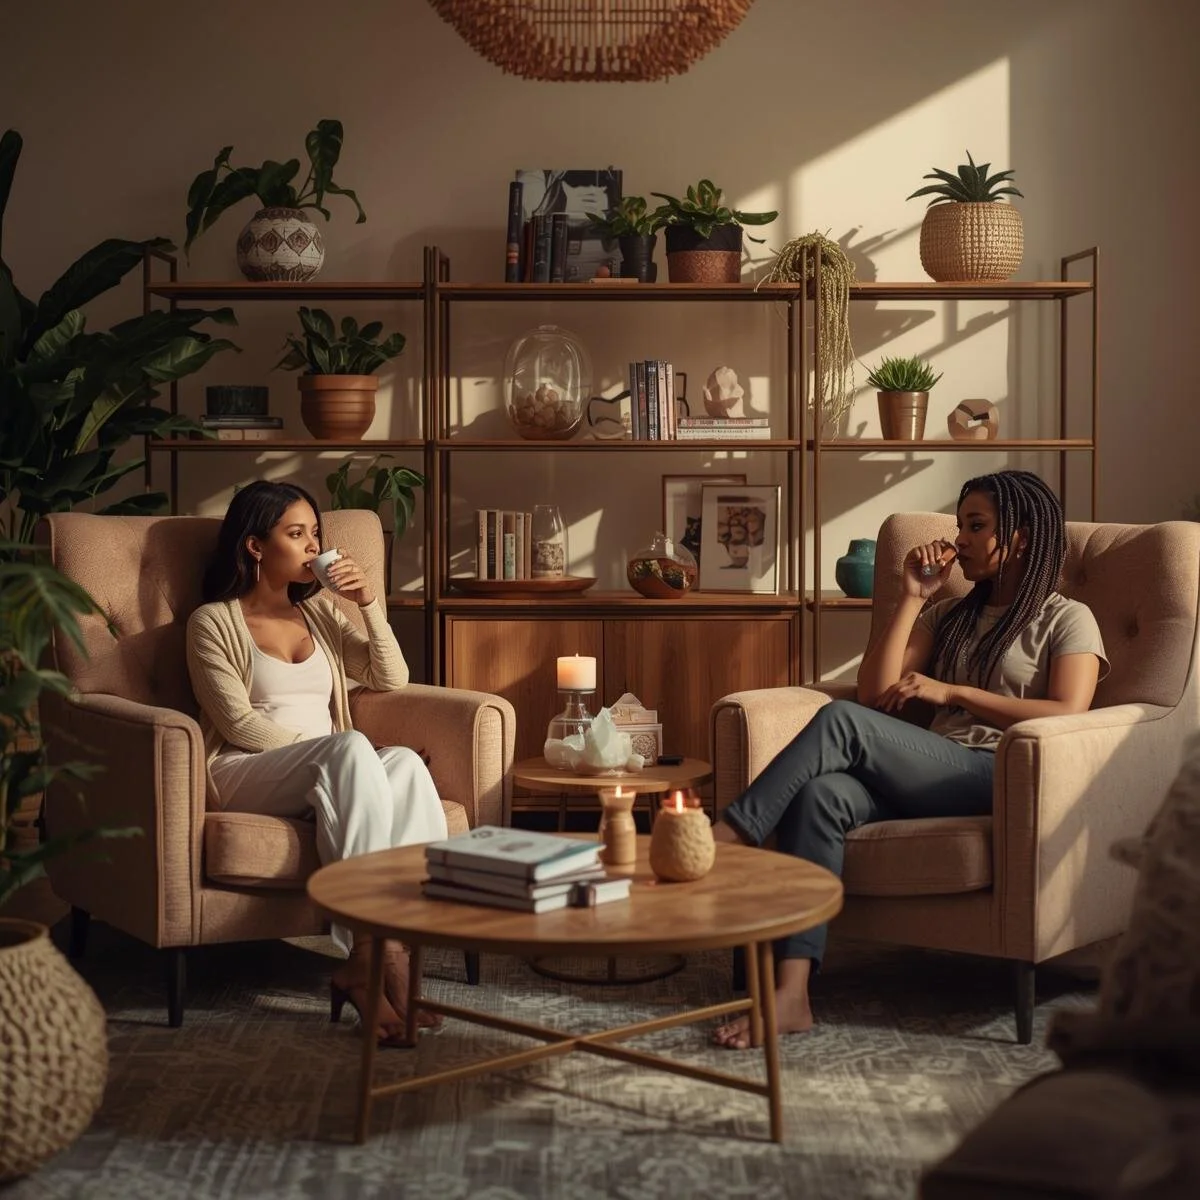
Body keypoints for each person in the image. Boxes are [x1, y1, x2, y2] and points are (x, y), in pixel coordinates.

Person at [711, 469, 1109, 1049]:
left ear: (1020, 537)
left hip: (1000, 774)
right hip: (931, 771)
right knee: (821, 796)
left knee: (840, 722)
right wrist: (912, 598)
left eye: (977, 526)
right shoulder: (950, 615)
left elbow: (1070, 712)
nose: (961, 538)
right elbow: (875, 693)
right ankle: (792, 994)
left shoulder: (1067, 618)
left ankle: (727, 838)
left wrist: (954, 692)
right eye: (960, 525)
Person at [185, 481, 448, 1047]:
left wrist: (369, 604)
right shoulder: (212, 623)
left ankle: (399, 945)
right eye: (296, 533)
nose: (313, 546)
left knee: (403, 764)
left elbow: (391, 678)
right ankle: (372, 954)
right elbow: (238, 725)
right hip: (244, 771)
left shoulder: (321, 613)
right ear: (255, 545)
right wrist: (330, 756)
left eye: (316, 534)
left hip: (326, 765)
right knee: (351, 749)